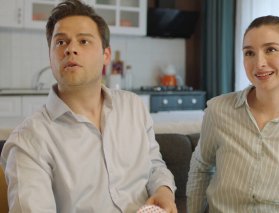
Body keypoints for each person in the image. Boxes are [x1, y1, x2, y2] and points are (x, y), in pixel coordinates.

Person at [0, 0, 177, 212]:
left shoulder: (133, 107)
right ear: (50, 57)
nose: (70, 49)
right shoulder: (28, 141)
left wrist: (164, 190)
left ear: (106, 56)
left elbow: (154, 165)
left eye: (83, 41)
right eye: (60, 42)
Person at [186, 15, 279, 212]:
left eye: (271, 50)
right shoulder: (218, 110)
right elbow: (201, 169)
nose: (259, 63)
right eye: (249, 53)